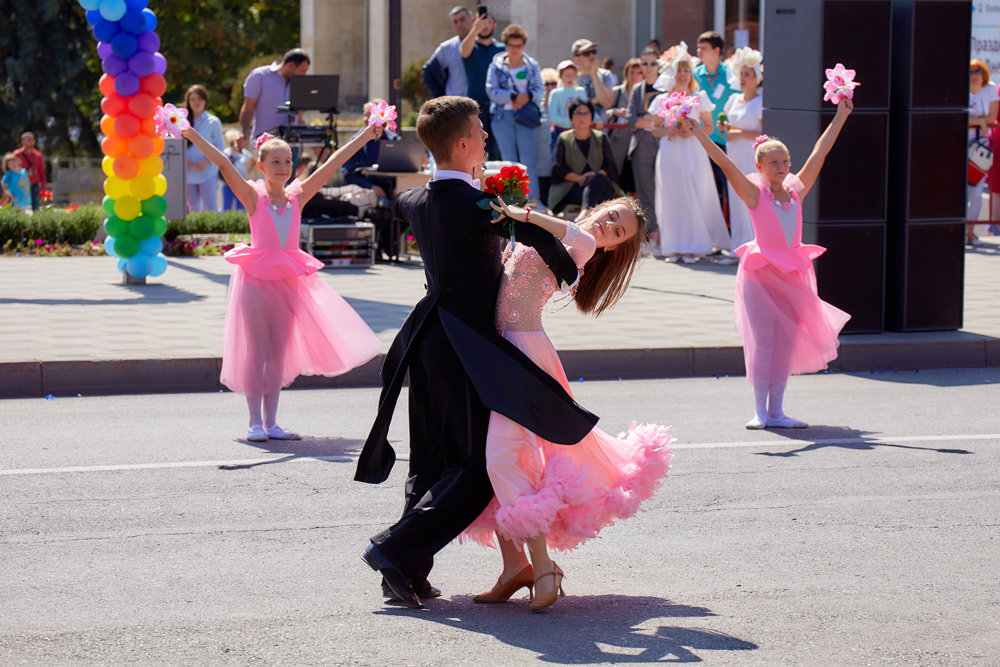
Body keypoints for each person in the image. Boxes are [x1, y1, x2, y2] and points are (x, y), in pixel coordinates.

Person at [354, 96, 598, 609]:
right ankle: (393, 550)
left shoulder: (417, 202)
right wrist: (570, 270)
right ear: (463, 144)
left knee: (429, 459)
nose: (486, 138)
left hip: (424, 339)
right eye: (481, 132)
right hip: (466, 345)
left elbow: (401, 200)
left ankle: (406, 576)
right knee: (475, 467)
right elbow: (543, 240)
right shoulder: (480, 205)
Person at [462, 196, 671, 613]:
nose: (607, 226)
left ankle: (542, 567)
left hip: (524, 356)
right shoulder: (547, 230)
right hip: (495, 351)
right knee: (496, 460)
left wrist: (523, 214)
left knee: (502, 458)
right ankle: (512, 567)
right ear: (602, 205)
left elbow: (571, 232)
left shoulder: (581, 245)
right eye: (611, 215)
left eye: (617, 230)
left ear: (612, 246)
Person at [181, 113, 384, 443]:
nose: (282, 167)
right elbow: (220, 161)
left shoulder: (297, 197)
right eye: (275, 161)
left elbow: (333, 162)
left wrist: (366, 134)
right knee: (257, 350)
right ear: (261, 166)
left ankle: (272, 422)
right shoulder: (252, 197)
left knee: (278, 352)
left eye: (287, 161)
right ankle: (253, 422)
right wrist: (189, 131)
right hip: (255, 283)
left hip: (289, 282)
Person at [688, 99, 854, 429]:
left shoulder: (794, 191)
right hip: (760, 274)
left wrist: (841, 115)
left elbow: (819, 153)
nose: (782, 166)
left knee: (785, 344)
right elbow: (725, 165)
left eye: (785, 161)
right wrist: (699, 134)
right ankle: (759, 412)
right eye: (774, 162)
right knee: (763, 342)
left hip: (792, 273)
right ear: (760, 167)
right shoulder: (754, 194)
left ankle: (777, 411)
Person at [651, 44, 729, 262]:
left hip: (693, 150)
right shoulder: (662, 99)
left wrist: (693, 130)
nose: (683, 74)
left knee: (694, 193)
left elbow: (709, 126)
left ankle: (694, 246)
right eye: (679, 70)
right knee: (673, 196)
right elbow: (655, 128)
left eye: (686, 70)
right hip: (670, 151)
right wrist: (670, 129)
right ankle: (674, 245)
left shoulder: (699, 96)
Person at [486, 24, 544, 206]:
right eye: (511, 45)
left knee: (528, 160)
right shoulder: (495, 66)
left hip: (526, 117)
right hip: (502, 117)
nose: (515, 49)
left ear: (523, 46)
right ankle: (510, 201)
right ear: (506, 45)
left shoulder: (532, 65)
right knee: (508, 160)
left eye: (519, 46)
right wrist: (512, 96)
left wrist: (527, 97)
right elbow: (491, 90)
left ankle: (534, 199)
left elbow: (540, 90)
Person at [718, 47, 764, 261]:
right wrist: (724, 128)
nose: (743, 78)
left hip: (751, 157)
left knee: (751, 201)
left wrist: (738, 133)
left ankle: (755, 247)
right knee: (735, 201)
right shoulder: (734, 100)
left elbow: (764, 131)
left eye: (748, 74)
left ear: (757, 78)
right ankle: (739, 247)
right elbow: (725, 128)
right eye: (741, 74)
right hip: (734, 156)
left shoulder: (761, 102)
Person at [549, 100, 623, 218]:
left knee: (599, 181)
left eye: (586, 113)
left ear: (592, 117)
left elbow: (610, 165)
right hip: (574, 186)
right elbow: (558, 167)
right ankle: (587, 210)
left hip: (600, 184)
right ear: (571, 118)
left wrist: (594, 176)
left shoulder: (600, 137)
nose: (582, 117)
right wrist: (580, 178)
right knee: (585, 192)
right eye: (578, 113)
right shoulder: (564, 138)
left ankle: (585, 212)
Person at [694, 31, 738, 218]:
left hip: (726, 139)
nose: (699, 52)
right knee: (707, 189)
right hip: (703, 139)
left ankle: (731, 234)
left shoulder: (730, 74)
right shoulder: (695, 74)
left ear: (716, 50)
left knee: (729, 187)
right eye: (698, 48)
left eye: (704, 48)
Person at [627, 47, 666, 249]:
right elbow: (630, 119)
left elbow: (667, 120)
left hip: (664, 143)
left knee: (664, 187)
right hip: (642, 143)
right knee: (645, 191)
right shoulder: (637, 89)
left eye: (653, 63)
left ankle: (666, 231)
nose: (649, 68)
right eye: (645, 63)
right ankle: (651, 231)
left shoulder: (666, 88)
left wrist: (649, 121)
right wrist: (651, 121)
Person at [239, 49, 310, 145]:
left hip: (292, 146)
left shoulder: (298, 84)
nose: (304, 75)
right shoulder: (259, 76)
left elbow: (299, 118)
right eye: (302, 71)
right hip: (264, 144)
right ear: (290, 65)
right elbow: (248, 109)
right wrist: (242, 134)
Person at [461, 11, 505, 160]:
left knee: (498, 152)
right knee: (473, 151)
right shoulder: (471, 46)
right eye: (481, 21)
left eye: (488, 22)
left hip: (499, 108)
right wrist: (475, 29)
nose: (485, 26)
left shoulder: (502, 49)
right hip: (476, 109)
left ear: (494, 25)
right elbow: (463, 51)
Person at [967, 59, 998, 246]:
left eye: (978, 71)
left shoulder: (990, 88)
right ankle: (959, 232)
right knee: (959, 193)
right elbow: (958, 115)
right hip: (959, 143)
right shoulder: (961, 85)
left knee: (976, 193)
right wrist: (979, 122)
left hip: (980, 149)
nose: (974, 76)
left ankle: (970, 232)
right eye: (970, 72)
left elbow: (992, 117)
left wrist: (976, 121)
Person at [183, 85, 224, 213]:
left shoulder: (213, 122)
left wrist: (206, 161)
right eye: (193, 99)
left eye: (199, 99)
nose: (196, 102)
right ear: (188, 102)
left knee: (210, 208)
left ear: (205, 101)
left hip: (208, 172)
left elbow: (220, 146)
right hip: (188, 172)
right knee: (193, 208)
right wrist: (184, 160)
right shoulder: (181, 121)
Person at [606, 57, 643, 188]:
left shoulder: (643, 94)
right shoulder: (616, 92)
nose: (634, 76)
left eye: (638, 72)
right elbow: (603, 113)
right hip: (617, 142)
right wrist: (615, 112)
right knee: (616, 180)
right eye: (631, 72)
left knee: (635, 181)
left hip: (637, 142)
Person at [422, 6, 472, 98]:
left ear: (471, 20)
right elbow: (427, 71)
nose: (459, 24)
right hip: (455, 104)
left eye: (462, 19)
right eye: (455, 22)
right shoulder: (447, 48)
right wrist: (439, 95)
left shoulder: (484, 44)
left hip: (481, 105)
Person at [571, 39, 615, 122]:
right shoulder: (570, 77)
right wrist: (595, 100)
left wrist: (594, 74)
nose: (592, 56)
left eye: (594, 52)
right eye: (586, 53)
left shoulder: (605, 75)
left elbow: (606, 103)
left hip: (599, 129)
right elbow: (568, 104)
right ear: (576, 58)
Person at [547, 60, 587, 152]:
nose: (570, 78)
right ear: (561, 76)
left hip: (577, 132)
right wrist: (573, 121)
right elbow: (553, 117)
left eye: (573, 75)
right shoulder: (555, 93)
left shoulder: (580, 91)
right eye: (567, 75)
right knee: (558, 160)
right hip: (559, 132)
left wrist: (596, 118)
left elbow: (587, 109)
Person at [535, 67, 560, 205]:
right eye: (547, 84)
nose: (550, 87)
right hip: (541, 152)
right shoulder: (537, 107)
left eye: (554, 83)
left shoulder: (562, 106)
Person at [221, 130, 254, 211]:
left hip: (241, 184)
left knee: (241, 207)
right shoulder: (226, 152)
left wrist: (247, 171)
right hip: (228, 184)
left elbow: (253, 161)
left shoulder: (244, 153)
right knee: (226, 207)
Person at [13, 132, 46, 211]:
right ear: (23, 142)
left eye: (32, 139)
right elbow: (13, 171)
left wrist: (43, 188)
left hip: (34, 185)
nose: (31, 141)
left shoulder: (38, 155)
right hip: (21, 186)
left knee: (36, 208)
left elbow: (42, 172)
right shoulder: (17, 155)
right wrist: (26, 174)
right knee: (19, 208)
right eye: (29, 139)